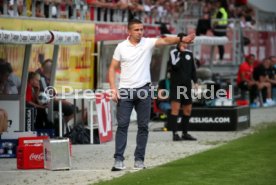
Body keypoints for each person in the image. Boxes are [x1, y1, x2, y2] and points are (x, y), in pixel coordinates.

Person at [108, 19, 195, 171]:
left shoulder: (147, 43)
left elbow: (166, 40)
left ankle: (139, 160)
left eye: (141, 29)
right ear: (129, 31)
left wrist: (181, 39)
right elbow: (112, 68)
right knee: (122, 126)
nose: (140, 32)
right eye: (136, 29)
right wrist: (113, 88)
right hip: (125, 91)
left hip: (144, 90)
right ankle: (118, 160)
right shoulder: (121, 47)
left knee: (143, 127)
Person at [168, 33, 198, 141]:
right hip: (176, 85)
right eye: (183, 42)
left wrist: (195, 81)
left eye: (186, 42)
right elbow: (175, 65)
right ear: (178, 42)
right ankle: (175, 134)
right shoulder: (173, 52)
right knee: (175, 109)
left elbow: (193, 69)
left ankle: (185, 133)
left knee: (188, 110)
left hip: (186, 85)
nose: (185, 44)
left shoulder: (190, 53)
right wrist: (180, 53)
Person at [36, 59, 75, 125]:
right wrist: (61, 101)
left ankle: (62, 126)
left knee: (74, 107)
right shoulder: (41, 78)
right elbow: (46, 98)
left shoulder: (47, 78)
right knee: (70, 109)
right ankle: (60, 127)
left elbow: (52, 93)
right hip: (45, 103)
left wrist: (61, 99)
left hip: (50, 101)